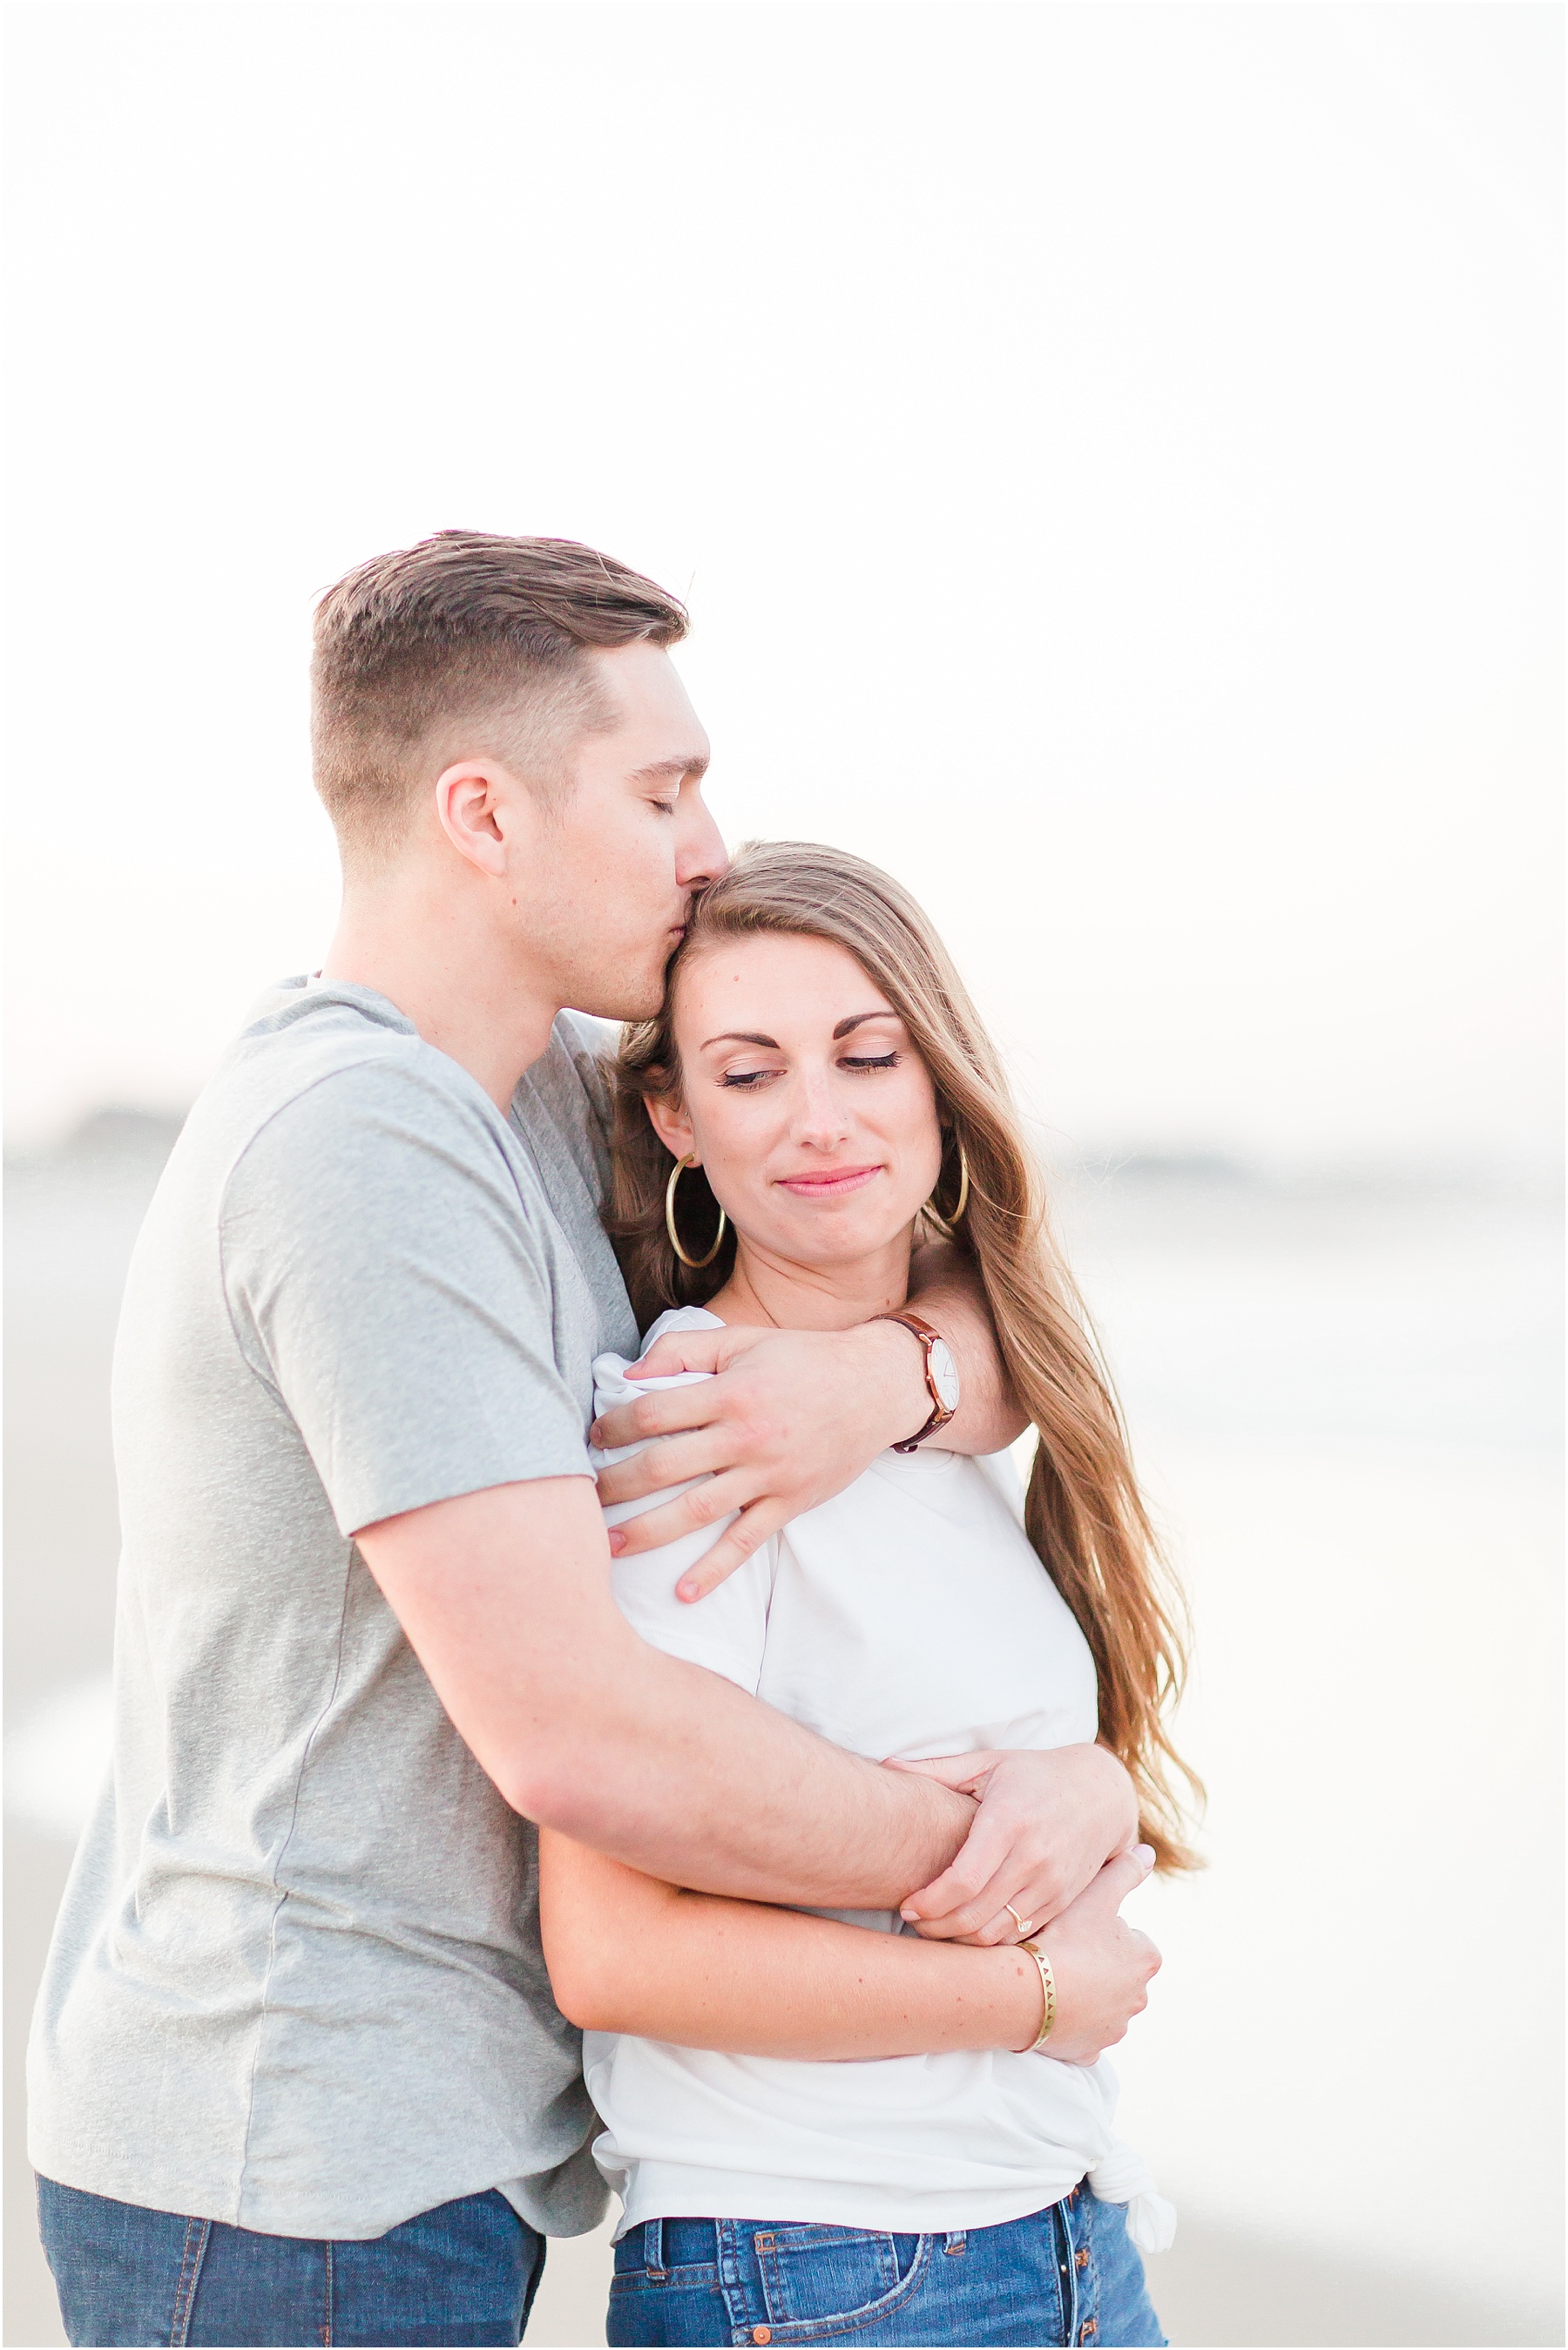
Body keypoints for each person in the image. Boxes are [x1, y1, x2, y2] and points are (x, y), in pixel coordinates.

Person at [28, 533, 1146, 2349]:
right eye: (662, 787)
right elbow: (581, 1734)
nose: (708, 842)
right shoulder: (359, 1141)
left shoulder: (540, 1090)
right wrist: (1023, 1877)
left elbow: (945, 1270)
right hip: (289, 2143)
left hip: (430, 2122)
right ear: (484, 813)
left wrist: (894, 1382)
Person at [539, 841, 1198, 2348]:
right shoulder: (686, 1427)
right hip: (823, 2260)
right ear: (677, 1122)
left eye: (866, 1053)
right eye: (751, 1072)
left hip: (1065, 2229)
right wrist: (1037, 1991)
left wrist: (1093, 1780)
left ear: (938, 1078)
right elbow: (616, 1948)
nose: (821, 1119)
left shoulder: (942, 1402)